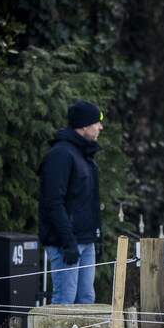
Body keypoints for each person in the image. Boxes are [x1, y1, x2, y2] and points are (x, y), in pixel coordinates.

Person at [38, 100, 105, 305]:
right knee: (65, 302)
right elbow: (52, 202)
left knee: (86, 300)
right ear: (84, 125)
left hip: (85, 241)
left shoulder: (85, 155)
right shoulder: (61, 155)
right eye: (97, 122)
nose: (100, 127)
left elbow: (90, 202)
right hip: (65, 244)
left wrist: (97, 236)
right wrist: (68, 241)